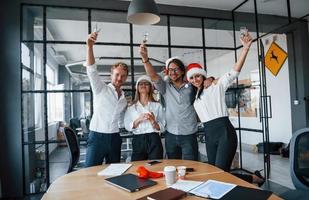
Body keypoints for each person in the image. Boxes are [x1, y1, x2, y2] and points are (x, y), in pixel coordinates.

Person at [186, 32, 253, 171]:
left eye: (197, 76)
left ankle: (247, 182)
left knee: (221, 171)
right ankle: (253, 178)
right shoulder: (195, 95)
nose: (195, 80)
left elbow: (234, 72)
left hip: (224, 131)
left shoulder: (215, 85)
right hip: (209, 133)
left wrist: (245, 49)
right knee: (215, 172)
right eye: (191, 78)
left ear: (202, 75)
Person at [139, 44, 198, 160]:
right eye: (170, 70)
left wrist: (210, 79)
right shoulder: (165, 87)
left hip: (189, 135)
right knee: (172, 165)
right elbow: (153, 75)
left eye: (176, 69)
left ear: (182, 71)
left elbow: (206, 82)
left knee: (191, 167)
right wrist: (145, 59)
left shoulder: (192, 86)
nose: (173, 72)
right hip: (170, 134)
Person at [84, 31, 128, 167]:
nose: (119, 78)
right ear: (111, 74)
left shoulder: (124, 98)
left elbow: (122, 119)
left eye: (123, 76)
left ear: (126, 78)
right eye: (117, 74)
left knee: (113, 171)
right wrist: (89, 47)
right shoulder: (100, 88)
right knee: (89, 173)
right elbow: (91, 70)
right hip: (97, 136)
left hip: (115, 137)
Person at [124, 75, 165, 161]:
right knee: (138, 167)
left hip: (154, 139)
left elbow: (163, 126)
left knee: (156, 166)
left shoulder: (157, 106)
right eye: (140, 84)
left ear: (150, 87)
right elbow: (127, 126)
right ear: (137, 88)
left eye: (146, 83)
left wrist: (153, 121)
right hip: (138, 140)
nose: (143, 85)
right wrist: (139, 119)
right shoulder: (131, 107)